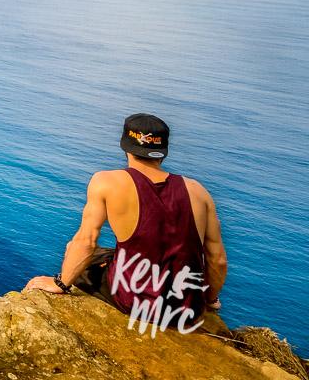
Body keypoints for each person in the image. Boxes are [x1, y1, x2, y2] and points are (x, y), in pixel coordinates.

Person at [23, 113, 228, 326]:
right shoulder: (198, 191)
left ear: (126, 147)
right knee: (105, 255)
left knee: (76, 251)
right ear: (163, 153)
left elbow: (86, 242)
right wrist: (209, 300)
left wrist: (60, 283)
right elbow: (218, 259)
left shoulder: (106, 181)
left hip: (134, 301)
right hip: (187, 310)